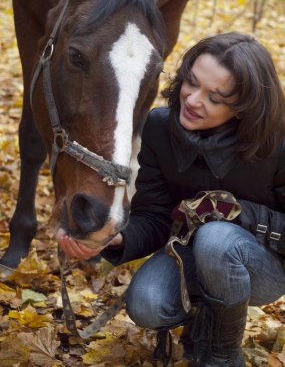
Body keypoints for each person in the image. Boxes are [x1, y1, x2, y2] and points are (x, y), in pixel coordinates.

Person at [57, 32, 285, 366]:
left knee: (216, 238)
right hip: (190, 253)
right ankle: (204, 315)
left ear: (242, 108)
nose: (193, 100)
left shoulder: (277, 144)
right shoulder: (160, 127)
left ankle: (222, 356)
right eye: (192, 82)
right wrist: (114, 238)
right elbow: (155, 214)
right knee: (147, 303)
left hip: (263, 265)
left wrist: (239, 214)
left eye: (216, 98)